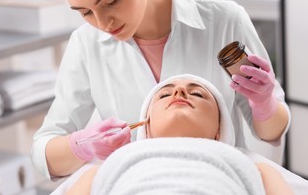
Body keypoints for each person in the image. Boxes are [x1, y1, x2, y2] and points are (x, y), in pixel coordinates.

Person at [31, 0, 290, 179]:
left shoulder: (224, 21)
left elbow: (271, 132)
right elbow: (44, 151)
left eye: (111, 0)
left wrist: (264, 103)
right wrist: (81, 147)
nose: (103, 23)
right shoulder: (86, 43)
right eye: (85, 12)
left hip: (217, 180)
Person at [65, 75, 295, 195]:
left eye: (197, 93)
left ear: (219, 128)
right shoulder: (101, 169)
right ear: (147, 127)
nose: (179, 91)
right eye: (164, 95)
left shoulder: (256, 167)